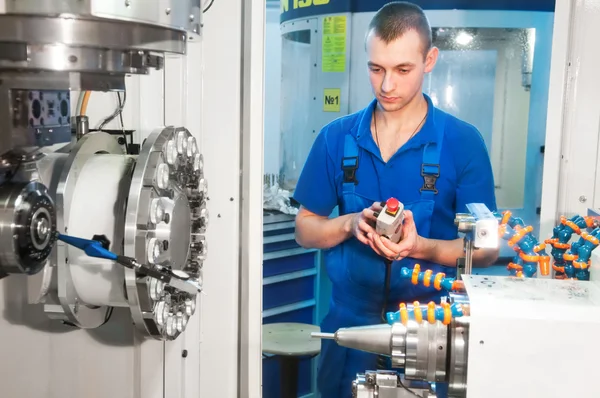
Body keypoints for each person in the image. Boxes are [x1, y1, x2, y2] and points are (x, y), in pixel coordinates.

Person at [292, 1, 499, 397]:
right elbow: (305, 228)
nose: (387, 85)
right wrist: (350, 224)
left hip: (432, 333)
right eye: (377, 69)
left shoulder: (463, 143)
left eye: (403, 70)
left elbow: (486, 250)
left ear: (430, 60)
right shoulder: (336, 139)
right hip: (348, 329)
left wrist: (422, 246)